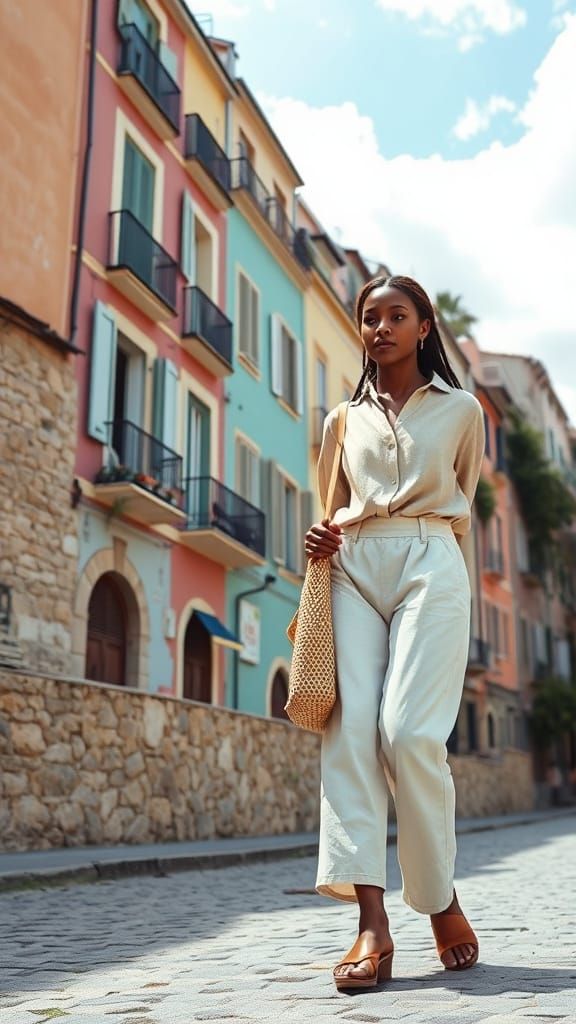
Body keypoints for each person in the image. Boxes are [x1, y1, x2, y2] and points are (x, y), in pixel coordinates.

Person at [304, 275, 485, 991]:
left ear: (423, 327)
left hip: (430, 558)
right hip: (351, 564)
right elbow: (331, 503)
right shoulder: (340, 422)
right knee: (349, 736)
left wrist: (443, 566)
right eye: (369, 317)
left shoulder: (464, 410)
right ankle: (371, 928)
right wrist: (321, 536)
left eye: (395, 316)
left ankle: (439, 898)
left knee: (408, 732)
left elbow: (462, 500)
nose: (380, 327)